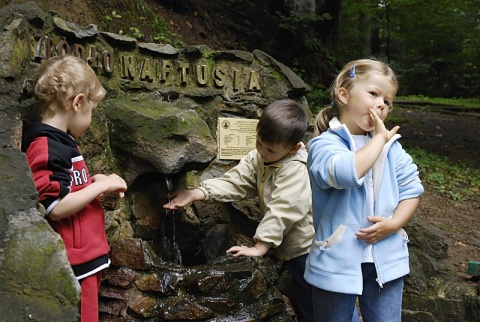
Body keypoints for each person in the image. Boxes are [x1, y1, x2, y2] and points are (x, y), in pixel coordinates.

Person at [163, 99, 316, 322]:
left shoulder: (296, 170)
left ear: (293, 148)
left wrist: (260, 246)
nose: (262, 151)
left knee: (314, 302)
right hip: (290, 250)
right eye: (259, 142)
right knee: (304, 301)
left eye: (270, 149)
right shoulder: (262, 157)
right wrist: (197, 193)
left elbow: (283, 210)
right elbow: (237, 181)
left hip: (306, 251)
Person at [304, 58, 424, 322]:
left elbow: (412, 189)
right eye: (373, 94)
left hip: (386, 256)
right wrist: (381, 139)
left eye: (388, 101)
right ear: (343, 94)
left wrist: (394, 224)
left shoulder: (393, 148)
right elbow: (344, 173)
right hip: (335, 258)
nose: (382, 104)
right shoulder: (324, 144)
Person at [21, 54, 128, 322]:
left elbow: (68, 188)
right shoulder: (46, 146)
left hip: (84, 256)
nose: (90, 119)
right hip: (74, 261)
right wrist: (103, 185)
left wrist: (95, 183)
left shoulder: (61, 141)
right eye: (91, 110)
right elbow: (55, 207)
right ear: (78, 103)